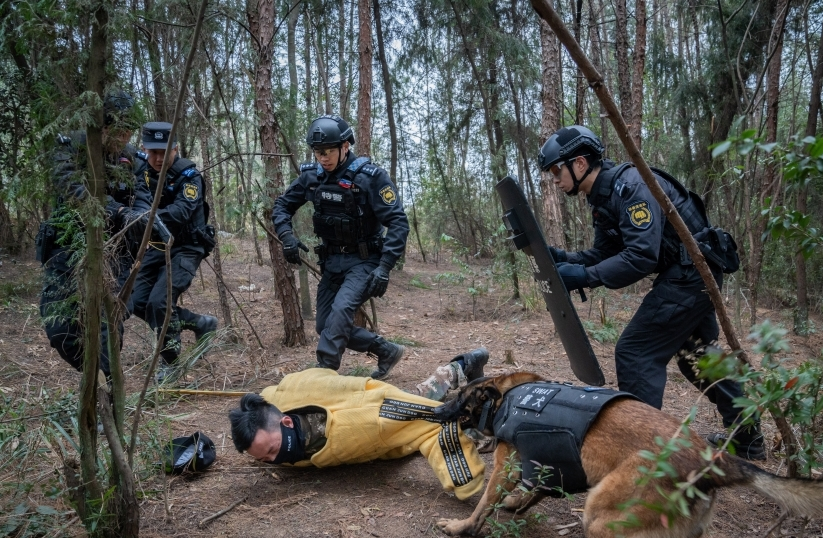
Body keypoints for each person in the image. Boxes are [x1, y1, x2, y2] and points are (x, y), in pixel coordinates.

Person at [538, 125, 764, 460]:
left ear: (580, 163)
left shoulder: (630, 186)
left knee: (635, 352)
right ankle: (748, 440)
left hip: (692, 271)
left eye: (556, 170)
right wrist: (566, 260)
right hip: (689, 271)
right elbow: (606, 254)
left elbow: (641, 257)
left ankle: (641, 454)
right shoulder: (603, 196)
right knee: (697, 357)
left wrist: (585, 276)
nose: (554, 179)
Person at [228, 349, 490, 500]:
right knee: (418, 396)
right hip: (363, 409)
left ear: (286, 422)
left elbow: (434, 419)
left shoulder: (365, 421)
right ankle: (461, 372)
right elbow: (287, 388)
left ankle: (464, 370)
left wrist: (463, 478)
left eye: (273, 450)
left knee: (445, 417)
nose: (275, 460)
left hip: (376, 412)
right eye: (264, 459)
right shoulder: (272, 411)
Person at [272, 115, 409, 379]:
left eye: (328, 151)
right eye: (318, 152)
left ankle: (324, 374)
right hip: (332, 261)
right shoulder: (312, 177)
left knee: (341, 311)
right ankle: (386, 351)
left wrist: (384, 267)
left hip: (365, 261)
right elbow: (282, 206)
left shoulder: (371, 177)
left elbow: (398, 222)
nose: (323, 158)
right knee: (325, 326)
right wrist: (287, 237)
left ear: (345, 146)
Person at [39, 91, 155, 376]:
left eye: (129, 130)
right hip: (67, 249)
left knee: (107, 325)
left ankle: (107, 394)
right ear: (102, 125)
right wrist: (115, 210)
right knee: (60, 329)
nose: (123, 136)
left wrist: (137, 215)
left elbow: (142, 194)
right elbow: (73, 190)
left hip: (116, 252)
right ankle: (96, 378)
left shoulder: (134, 159)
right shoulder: (72, 147)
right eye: (117, 129)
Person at [132, 122, 218, 382]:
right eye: (152, 152)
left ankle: (170, 364)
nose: (157, 158)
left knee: (159, 303)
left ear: (175, 149)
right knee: (135, 302)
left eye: (163, 151)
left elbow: (180, 213)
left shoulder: (189, 177)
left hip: (186, 248)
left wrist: (142, 217)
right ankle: (199, 322)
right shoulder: (142, 170)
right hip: (157, 247)